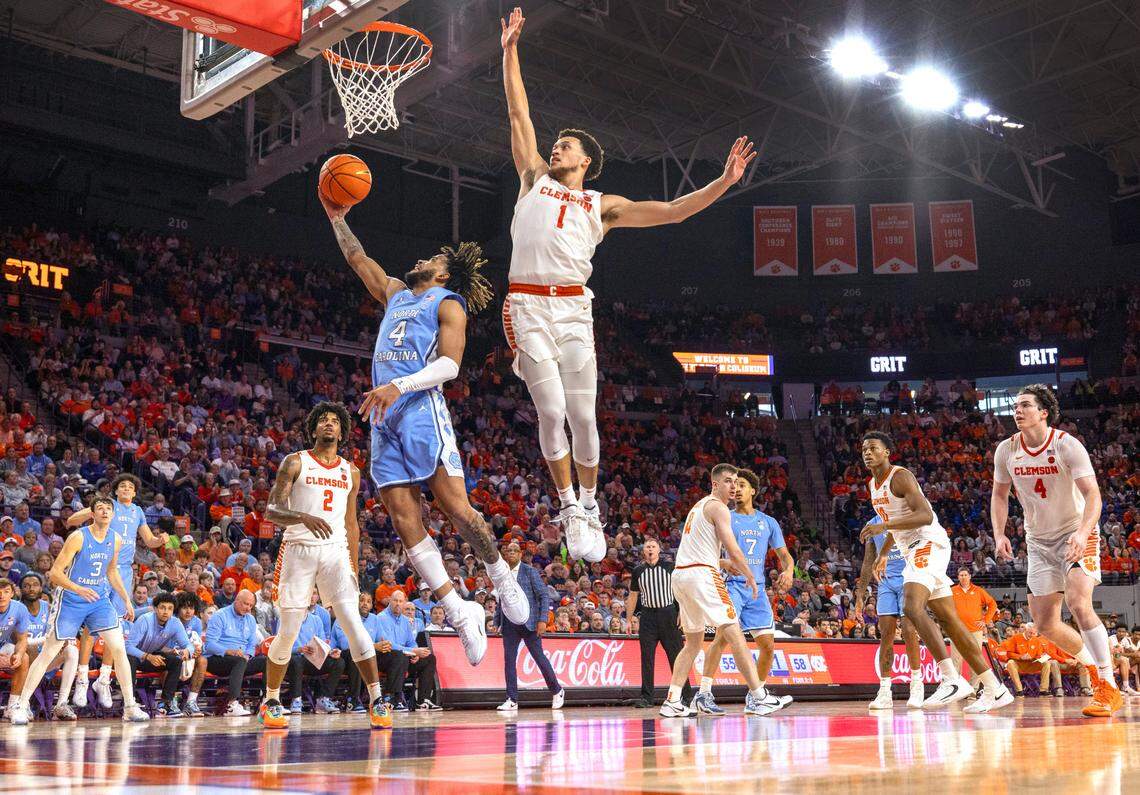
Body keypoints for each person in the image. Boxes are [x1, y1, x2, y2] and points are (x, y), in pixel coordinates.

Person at [499, 8, 756, 562]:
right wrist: (509, 49)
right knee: (549, 412)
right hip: (525, 305)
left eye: (568, 146)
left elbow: (673, 211)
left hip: (572, 309)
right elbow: (519, 113)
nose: (559, 149)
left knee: (585, 416)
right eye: (558, 144)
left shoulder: (603, 205)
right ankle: (569, 505)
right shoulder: (532, 178)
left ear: (587, 161)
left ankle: (589, 503)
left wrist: (724, 181)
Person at [322, 195, 530, 669]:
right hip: (384, 414)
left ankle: (500, 578)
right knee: (401, 516)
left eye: (433, 260)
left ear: (444, 275)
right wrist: (338, 219)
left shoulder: (448, 302)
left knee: (456, 508)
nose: (422, 259)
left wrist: (398, 384)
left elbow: (451, 366)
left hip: (418, 407)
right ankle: (458, 609)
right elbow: (358, 258)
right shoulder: (396, 293)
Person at [257, 402, 393, 731]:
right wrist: (302, 516)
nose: (329, 424)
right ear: (314, 428)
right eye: (323, 420)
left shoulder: (351, 471)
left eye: (335, 421)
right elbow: (272, 510)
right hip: (298, 548)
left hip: (335, 551)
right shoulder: (295, 462)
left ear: (343, 431)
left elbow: (352, 524)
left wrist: (355, 566)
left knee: (353, 623)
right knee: (289, 630)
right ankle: (271, 699)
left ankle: (377, 699)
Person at [990, 384, 1123, 717]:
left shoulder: (1066, 445)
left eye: (1025, 405)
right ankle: (1096, 670)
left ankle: (1108, 685)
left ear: (1043, 412)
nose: (1017, 410)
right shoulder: (1006, 451)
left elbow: (1093, 495)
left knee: (1078, 602)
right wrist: (999, 534)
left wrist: (1082, 533)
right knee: (1046, 623)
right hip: (1037, 540)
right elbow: (999, 495)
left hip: (1075, 533)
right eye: (1015, 405)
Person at [859, 431, 1012, 714]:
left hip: (927, 541)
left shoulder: (900, 476)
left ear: (887, 452)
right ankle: (995, 688)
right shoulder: (872, 485)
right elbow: (894, 523)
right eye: (864, 449)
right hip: (912, 548)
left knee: (911, 606)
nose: (867, 453)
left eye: (873, 448)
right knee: (950, 621)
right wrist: (882, 553)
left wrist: (882, 528)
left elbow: (924, 515)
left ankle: (950, 678)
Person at [8, 496, 149, 724]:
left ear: (113, 515)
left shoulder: (115, 539)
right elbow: (54, 574)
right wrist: (78, 588)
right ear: (92, 514)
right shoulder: (77, 537)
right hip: (71, 599)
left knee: (118, 648)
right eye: (100, 508)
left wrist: (127, 599)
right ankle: (21, 706)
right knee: (50, 651)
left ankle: (130, 706)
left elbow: (112, 572)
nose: (104, 511)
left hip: (99, 599)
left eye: (108, 509)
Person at [660, 463, 768, 717]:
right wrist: (751, 577)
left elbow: (696, 550)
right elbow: (733, 547)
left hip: (682, 575)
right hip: (702, 576)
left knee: (693, 644)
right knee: (734, 632)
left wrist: (722, 563)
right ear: (715, 484)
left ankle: (673, 700)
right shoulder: (719, 508)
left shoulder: (698, 507)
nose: (733, 486)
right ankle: (759, 696)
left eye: (736, 482)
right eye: (729, 481)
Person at [692, 469, 795, 716]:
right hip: (731, 586)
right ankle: (704, 692)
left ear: (753, 491)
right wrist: (723, 563)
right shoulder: (724, 515)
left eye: (741, 485)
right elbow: (708, 552)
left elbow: (784, 556)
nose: (736, 489)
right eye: (733, 485)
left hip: (757, 590)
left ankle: (755, 696)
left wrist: (789, 571)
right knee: (722, 638)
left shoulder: (768, 522)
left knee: (768, 645)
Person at [67, 474, 168, 710]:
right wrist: (86, 511)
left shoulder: (138, 512)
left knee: (115, 627)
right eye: (122, 485)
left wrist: (161, 539)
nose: (125, 488)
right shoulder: (107, 508)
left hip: (123, 573)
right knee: (92, 627)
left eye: (130, 487)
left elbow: (150, 541)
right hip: (101, 569)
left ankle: (103, 679)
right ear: (115, 491)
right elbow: (73, 520)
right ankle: (82, 680)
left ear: (134, 493)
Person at [856, 516, 925, 711]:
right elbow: (868, 559)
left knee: (909, 630)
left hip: (909, 577)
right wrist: (861, 594)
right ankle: (885, 690)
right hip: (885, 581)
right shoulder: (870, 524)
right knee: (886, 634)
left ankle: (916, 685)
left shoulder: (904, 514)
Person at [495, 541, 563, 713]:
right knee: (509, 660)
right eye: (508, 550)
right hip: (510, 623)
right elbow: (501, 599)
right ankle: (512, 699)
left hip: (530, 622)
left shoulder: (530, 571)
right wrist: (497, 621)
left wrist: (542, 620)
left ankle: (557, 690)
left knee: (539, 657)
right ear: (505, 554)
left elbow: (543, 596)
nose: (511, 553)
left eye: (514, 550)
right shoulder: (502, 573)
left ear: (520, 554)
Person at [629, 538, 690, 708]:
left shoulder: (670, 567)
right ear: (643, 551)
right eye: (647, 546)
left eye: (653, 546)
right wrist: (628, 619)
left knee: (677, 657)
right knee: (646, 658)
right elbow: (633, 595)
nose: (650, 549)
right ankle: (647, 698)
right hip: (648, 617)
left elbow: (681, 591)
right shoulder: (638, 571)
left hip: (668, 614)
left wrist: (682, 612)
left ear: (659, 550)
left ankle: (686, 696)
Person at [186, 589, 265, 717]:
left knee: (266, 661)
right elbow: (210, 644)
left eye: (251, 605)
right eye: (246, 604)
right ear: (237, 601)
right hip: (217, 659)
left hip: (241, 660)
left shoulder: (250, 619)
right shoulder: (219, 615)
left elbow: (251, 644)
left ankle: (267, 702)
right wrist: (228, 651)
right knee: (239, 661)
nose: (248, 608)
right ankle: (232, 705)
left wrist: (248, 655)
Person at [20, 572, 80, 720]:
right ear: (21, 590)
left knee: (71, 650)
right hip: (23, 662)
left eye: (35, 585)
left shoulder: (48, 608)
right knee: (27, 650)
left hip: (46, 659)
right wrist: (46, 641)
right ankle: (23, 704)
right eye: (26, 586)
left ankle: (61, 705)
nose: (31, 589)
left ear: (41, 588)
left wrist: (63, 640)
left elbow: (61, 631)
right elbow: (19, 642)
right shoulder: (17, 608)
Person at [124, 592, 191, 716]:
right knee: (130, 658)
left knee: (175, 661)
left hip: (151, 658)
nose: (166, 612)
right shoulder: (145, 620)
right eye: (162, 608)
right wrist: (147, 656)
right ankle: (130, 703)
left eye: (170, 609)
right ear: (155, 608)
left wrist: (187, 650)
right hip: (134, 657)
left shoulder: (175, 623)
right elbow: (127, 647)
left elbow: (188, 645)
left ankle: (166, 703)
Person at [375, 590, 439, 711]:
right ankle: (394, 697)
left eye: (400, 601)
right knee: (399, 655)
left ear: (404, 603)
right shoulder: (381, 618)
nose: (398, 604)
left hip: (403, 657)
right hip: (384, 658)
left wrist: (415, 654)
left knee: (429, 658)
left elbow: (411, 642)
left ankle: (423, 700)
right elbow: (390, 645)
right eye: (395, 600)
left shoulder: (405, 620)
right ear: (389, 601)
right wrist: (413, 651)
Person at [949, 568, 999, 695]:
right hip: (957, 630)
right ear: (958, 577)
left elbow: (993, 604)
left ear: (970, 576)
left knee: (975, 660)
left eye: (966, 575)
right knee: (955, 660)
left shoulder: (978, 591)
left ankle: (974, 689)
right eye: (961, 575)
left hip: (975, 630)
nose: (964, 577)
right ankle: (956, 690)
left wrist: (986, 621)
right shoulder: (952, 591)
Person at [0, 579, 31, 719]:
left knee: (24, 658)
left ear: (12, 593)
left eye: (6, 592)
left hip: (3, 646)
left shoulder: (19, 608)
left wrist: (18, 654)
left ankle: (12, 705)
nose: (2, 595)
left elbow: (22, 639)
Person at [1000, 623, 1055, 696]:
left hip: (1032, 663)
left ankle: (1043, 690)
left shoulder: (1036, 640)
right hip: (1019, 664)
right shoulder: (1016, 638)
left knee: (1047, 663)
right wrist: (1020, 656)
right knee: (1010, 663)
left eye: (1034, 633)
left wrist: (1042, 656)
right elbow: (1009, 654)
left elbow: (1038, 654)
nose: (1032, 635)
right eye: (1030, 633)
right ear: (1025, 630)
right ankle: (1019, 691)